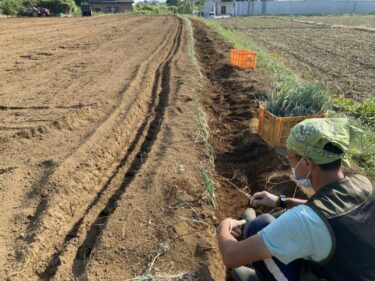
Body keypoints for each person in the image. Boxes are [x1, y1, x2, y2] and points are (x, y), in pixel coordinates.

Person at [217, 118, 375, 281]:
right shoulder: (362, 184)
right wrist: (280, 201)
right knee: (274, 223)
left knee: (260, 224)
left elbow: (231, 256)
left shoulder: (306, 221)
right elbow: (329, 213)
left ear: (306, 163)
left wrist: (224, 225)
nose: (290, 165)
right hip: (349, 269)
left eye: (290, 159)